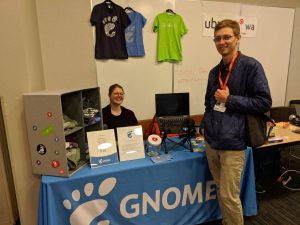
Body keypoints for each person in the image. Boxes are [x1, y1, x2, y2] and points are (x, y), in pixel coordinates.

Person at [200, 19, 272, 225]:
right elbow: (208, 103)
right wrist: (205, 125)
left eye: (226, 37)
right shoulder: (215, 72)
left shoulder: (251, 66)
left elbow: (264, 102)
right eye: (217, 38)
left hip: (233, 143)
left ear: (238, 38)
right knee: (223, 193)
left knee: (229, 197)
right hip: (212, 142)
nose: (221, 42)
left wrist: (229, 99)